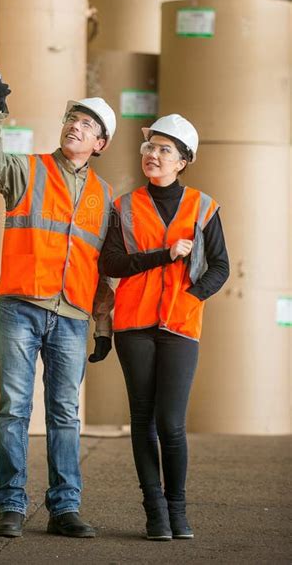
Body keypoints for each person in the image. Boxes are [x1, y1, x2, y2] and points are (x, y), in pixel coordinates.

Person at [0, 61, 116, 539]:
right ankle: (10, 505)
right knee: (14, 407)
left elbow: (101, 267)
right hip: (21, 306)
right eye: (73, 118)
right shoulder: (27, 170)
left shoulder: (104, 196)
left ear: (100, 144)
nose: (77, 125)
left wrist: (103, 324)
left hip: (73, 317)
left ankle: (64, 508)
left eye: (89, 125)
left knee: (64, 414)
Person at [90, 114, 229, 541]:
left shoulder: (203, 207)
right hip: (133, 325)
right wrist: (163, 256)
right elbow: (111, 263)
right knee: (143, 420)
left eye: (164, 149)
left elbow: (220, 267)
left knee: (171, 422)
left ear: (183, 160)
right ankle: (154, 512)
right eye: (150, 148)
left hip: (181, 327)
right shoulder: (124, 207)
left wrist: (190, 297)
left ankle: (178, 511)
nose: (153, 155)